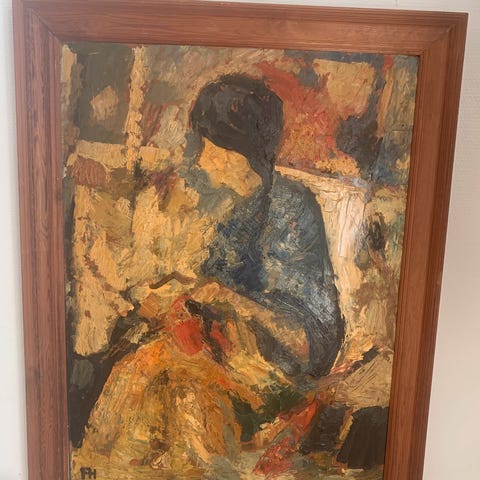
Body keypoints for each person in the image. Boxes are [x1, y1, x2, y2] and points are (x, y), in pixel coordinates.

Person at [188, 74, 344, 379]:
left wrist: (226, 298)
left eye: (210, 147)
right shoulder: (237, 209)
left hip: (281, 381)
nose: (201, 162)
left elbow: (309, 346)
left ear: (242, 151)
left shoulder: (291, 211)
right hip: (233, 366)